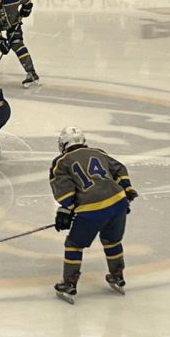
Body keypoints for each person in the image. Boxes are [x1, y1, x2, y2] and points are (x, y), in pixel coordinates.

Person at [49, 126, 137, 302]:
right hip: (119, 202)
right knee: (112, 241)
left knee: (74, 244)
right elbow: (119, 168)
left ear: (63, 144)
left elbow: (64, 192)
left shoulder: (61, 162)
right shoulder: (98, 152)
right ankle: (117, 275)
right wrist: (127, 188)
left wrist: (67, 210)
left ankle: (69, 284)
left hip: (92, 210)